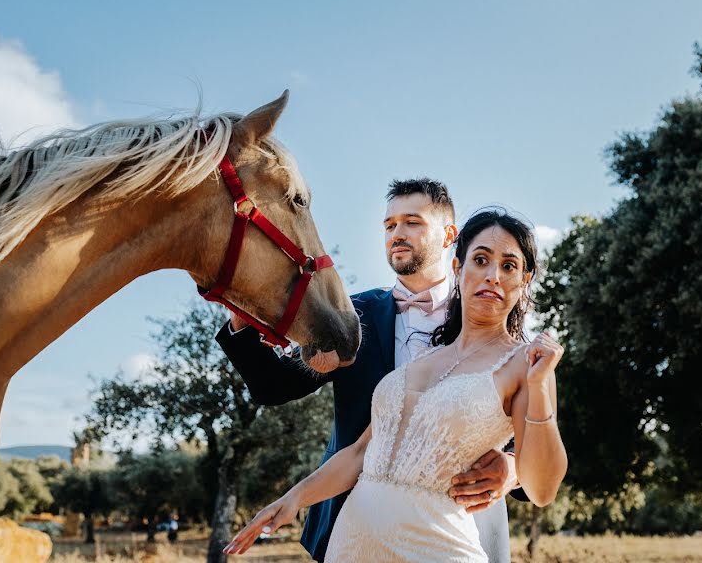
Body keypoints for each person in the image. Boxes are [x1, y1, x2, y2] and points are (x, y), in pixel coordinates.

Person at [225, 209, 568, 561]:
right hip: (350, 545)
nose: (493, 276)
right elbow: (360, 454)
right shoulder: (422, 356)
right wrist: (292, 499)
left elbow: (542, 489)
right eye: (481, 260)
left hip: (438, 548)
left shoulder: (527, 365)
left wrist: (539, 392)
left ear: (525, 280)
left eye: (509, 266)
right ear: (458, 268)